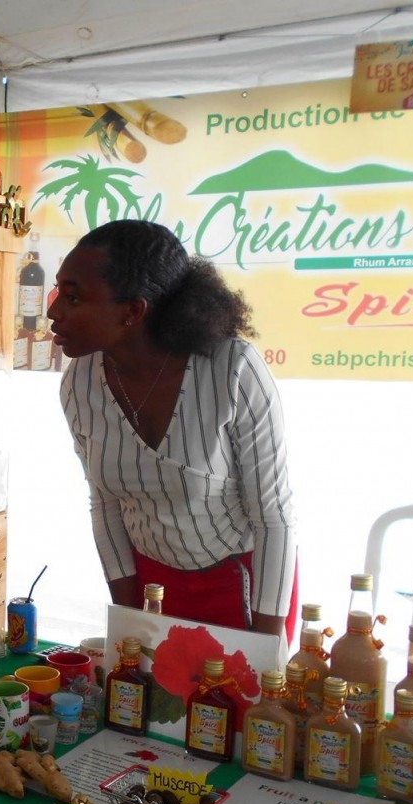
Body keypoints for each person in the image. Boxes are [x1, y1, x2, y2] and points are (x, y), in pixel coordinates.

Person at [51, 219, 297, 642]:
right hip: (151, 592)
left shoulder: (232, 369)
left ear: (133, 311)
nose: (54, 311)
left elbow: (273, 518)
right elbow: (105, 507)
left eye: (73, 298)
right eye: (59, 292)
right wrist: (130, 626)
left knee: (240, 689)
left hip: (244, 589)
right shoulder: (79, 383)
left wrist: (264, 647)